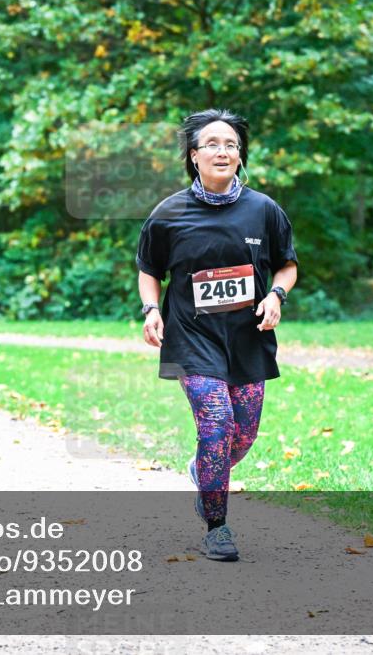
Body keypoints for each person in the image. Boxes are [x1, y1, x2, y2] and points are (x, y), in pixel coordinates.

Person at [135, 108, 299, 562]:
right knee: (217, 425)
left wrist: (277, 296)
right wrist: (151, 309)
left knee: (242, 437)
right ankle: (217, 526)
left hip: (248, 337)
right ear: (194, 156)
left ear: (240, 155)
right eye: (212, 144)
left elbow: (288, 263)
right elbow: (149, 269)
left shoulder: (264, 210)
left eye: (230, 144)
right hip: (192, 337)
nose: (222, 151)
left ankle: (203, 471)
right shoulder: (169, 214)